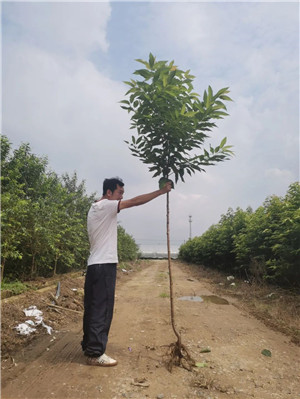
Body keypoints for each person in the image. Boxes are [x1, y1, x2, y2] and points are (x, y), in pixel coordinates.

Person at [81, 177, 172, 367]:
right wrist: (161, 192)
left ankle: (88, 345)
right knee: (102, 309)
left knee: (92, 308)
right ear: (108, 193)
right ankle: (95, 353)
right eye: (120, 193)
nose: (122, 197)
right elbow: (136, 202)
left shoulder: (95, 208)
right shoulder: (106, 205)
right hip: (104, 265)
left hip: (93, 265)